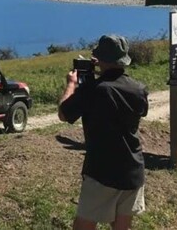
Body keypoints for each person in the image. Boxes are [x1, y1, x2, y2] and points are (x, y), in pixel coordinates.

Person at [58, 35, 149, 230]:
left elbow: (63, 113)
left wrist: (72, 84)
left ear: (100, 60)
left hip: (102, 171)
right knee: (122, 225)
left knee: (83, 225)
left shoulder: (93, 90)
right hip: (133, 169)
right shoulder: (139, 89)